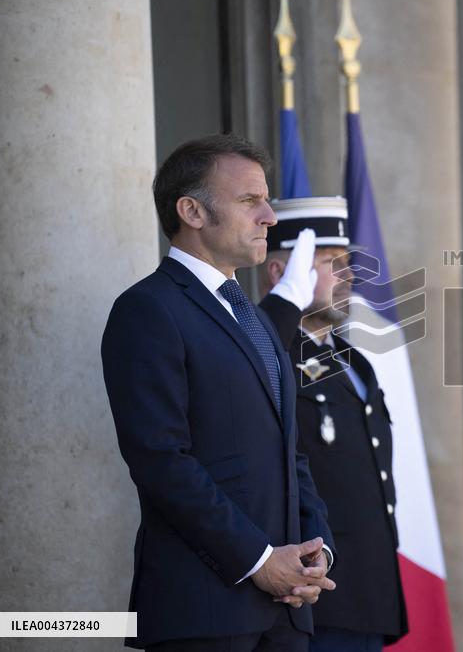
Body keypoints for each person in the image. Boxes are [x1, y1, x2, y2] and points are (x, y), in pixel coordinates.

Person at [101, 134, 338, 650]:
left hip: (286, 612)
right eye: (250, 200)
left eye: (267, 200)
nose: (270, 216)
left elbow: (287, 448)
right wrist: (258, 561)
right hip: (204, 612)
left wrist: (317, 548)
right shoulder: (148, 309)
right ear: (192, 211)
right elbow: (161, 460)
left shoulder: (253, 316)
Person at [258, 197, 407, 652]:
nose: (347, 276)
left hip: (366, 590)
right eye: (328, 262)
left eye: (347, 263)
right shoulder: (269, 349)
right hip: (310, 594)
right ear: (280, 272)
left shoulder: (355, 362)